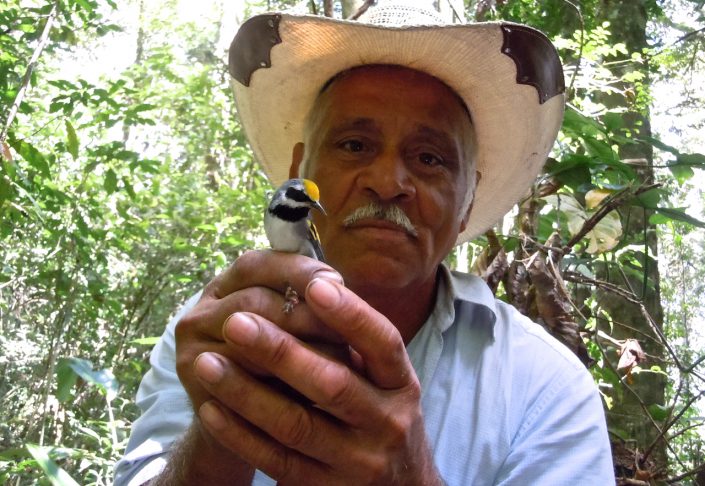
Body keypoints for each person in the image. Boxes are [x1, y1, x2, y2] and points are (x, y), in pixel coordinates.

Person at [115, 3, 614, 485]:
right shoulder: (215, 331)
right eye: (354, 145)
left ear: (467, 204)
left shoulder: (546, 388)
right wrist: (222, 429)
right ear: (298, 174)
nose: (387, 180)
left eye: (430, 158)